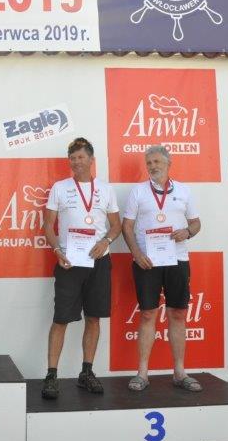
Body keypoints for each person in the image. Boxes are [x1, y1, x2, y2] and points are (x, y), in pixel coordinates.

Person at [40, 138, 121, 399]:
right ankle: (51, 375)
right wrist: (57, 250)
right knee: (61, 319)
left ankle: (86, 372)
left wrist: (105, 241)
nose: (76, 162)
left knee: (94, 317)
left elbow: (116, 225)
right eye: (72, 158)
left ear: (91, 160)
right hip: (69, 261)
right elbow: (48, 225)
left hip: (99, 261)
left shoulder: (106, 189)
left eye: (81, 157)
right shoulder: (60, 188)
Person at [122, 145, 202, 392]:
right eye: (149, 163)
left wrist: (187, 232)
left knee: (177, 313)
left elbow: (196, 223)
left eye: (157, 161)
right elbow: (127, 227)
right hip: (147, 261)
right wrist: (136, 254)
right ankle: (142, 374)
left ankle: (179, 372)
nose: (153, 166)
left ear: (169, 163)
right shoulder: (138, 191)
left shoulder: (184, 191)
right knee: (148, 314)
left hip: (177, 259)